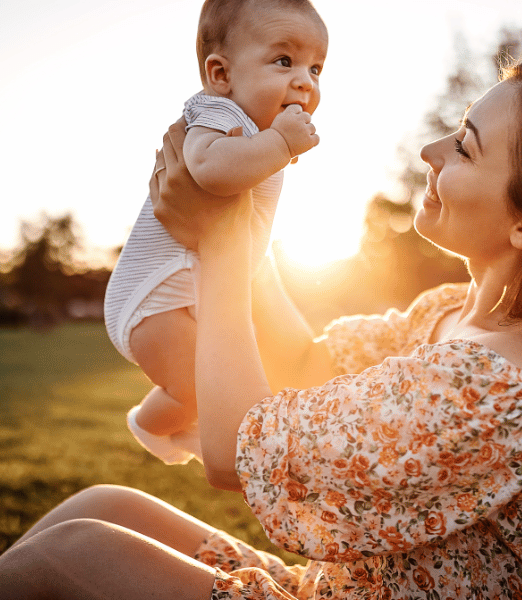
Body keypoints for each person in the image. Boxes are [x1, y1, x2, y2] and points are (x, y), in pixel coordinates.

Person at [0, 54, 522, 599]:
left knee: (75, 557)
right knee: (102, 506)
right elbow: (307, 360)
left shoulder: (495, 388)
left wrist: (219, 248)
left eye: (465, 147)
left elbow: (235, 446)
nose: (429, 149)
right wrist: (239, 206)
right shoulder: (451, 317)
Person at [103, 0, 327, 464]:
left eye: (316, 67)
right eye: (284, 61)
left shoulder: (256, 132)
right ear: (221, 75)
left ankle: (194, 426)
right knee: (195, 387)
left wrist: (274, 145)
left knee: (220, 381)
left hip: (192, 286)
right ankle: (148, 424)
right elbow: (205, 168)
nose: (305, 80)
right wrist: (281, 144)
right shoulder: (217, 113)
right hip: (152, 298)